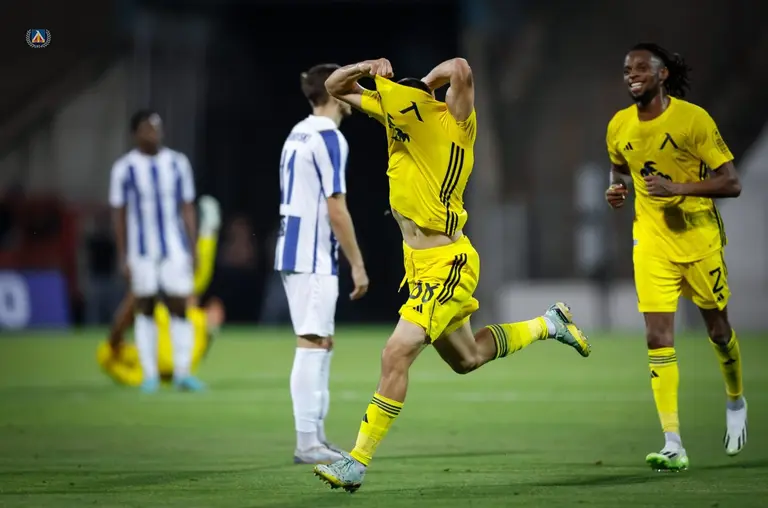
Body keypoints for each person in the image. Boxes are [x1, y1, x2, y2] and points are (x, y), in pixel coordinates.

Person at [312, 57, 590, 492]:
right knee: (468, 359)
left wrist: (424, 83)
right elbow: (334, 85)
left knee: (395, 353)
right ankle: (549, 323)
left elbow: (460, 67)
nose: (392, 112)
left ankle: (357, 461)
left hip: (448, 264)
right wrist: (367, 66)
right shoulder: (396, 118)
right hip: (419, 266)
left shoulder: (452, 124)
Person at [605, 43, 746, 472]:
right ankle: (673, 443)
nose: (632, 75)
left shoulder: (693, 119)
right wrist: (616, 190)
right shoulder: (619, 125)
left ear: (662, 74)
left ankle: (735, 399)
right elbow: (619, 167)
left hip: (699, 240)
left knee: (718, 330)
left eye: (641, 68)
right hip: (651, 242)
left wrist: (678, 188)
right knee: (657, 336)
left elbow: (731, 182)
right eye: (627, 69)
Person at [275, 63, 369, 465]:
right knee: (312, 343)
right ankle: (307, 443)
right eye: (350, 85)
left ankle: (315, 438)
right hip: (311, 254)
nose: (355, 94)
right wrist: (358, 264)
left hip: (295, 249)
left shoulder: (297, 132)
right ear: (335, 92)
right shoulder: (330, 138)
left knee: (321, 342)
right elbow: (336, 208)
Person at [109, 110, 204, 393]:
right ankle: (149, 375)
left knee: (180, 304)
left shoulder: (177, 163)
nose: (154, 133)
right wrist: (122, 255)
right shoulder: (124, 168)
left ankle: (182, 373)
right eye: (147, 128)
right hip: (141, 250)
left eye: (157, 127)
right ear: (135, 133)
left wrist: (194, 247)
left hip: (174, 246)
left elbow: (187, 206)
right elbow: (119, 214)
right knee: (145, 306)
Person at [98, 195, 223, 386]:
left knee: (183, 293)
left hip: (165, 347)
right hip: (173, 349)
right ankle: (207, 234)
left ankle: (207, 234)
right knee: (188, 292)